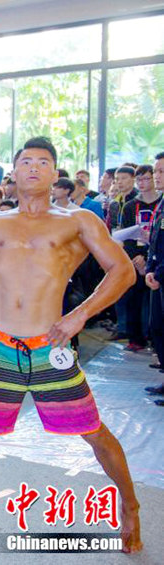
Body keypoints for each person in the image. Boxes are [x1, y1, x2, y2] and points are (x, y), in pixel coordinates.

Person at [0, 136, 142, 553]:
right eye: (26, 161)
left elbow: (123, 271)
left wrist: (81, 312)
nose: (33, 167)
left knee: (94, 432)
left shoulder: (78, 220)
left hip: (52, 345)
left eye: (43, 162)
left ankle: (132, 507)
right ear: (13, 171)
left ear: (54, 173)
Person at [120, 164, 160, 353]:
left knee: (155, 302)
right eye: (139, 180)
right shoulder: (130, 206)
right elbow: (125, 235)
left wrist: (148, 259)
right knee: (133, 299)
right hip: (135, 258)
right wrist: (137, 258)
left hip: (156, 258)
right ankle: (135, 338)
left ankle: (155, 339)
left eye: (146, 179)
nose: (142, 183)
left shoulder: (160, 204)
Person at [143, 151, 164, 405]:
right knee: (158, 329)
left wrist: (158, 273)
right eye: (157, 171)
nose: (157, 176)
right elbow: (155, 241)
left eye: (160, 172)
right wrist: (150, 267)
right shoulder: (161, 202)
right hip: (157, 275)